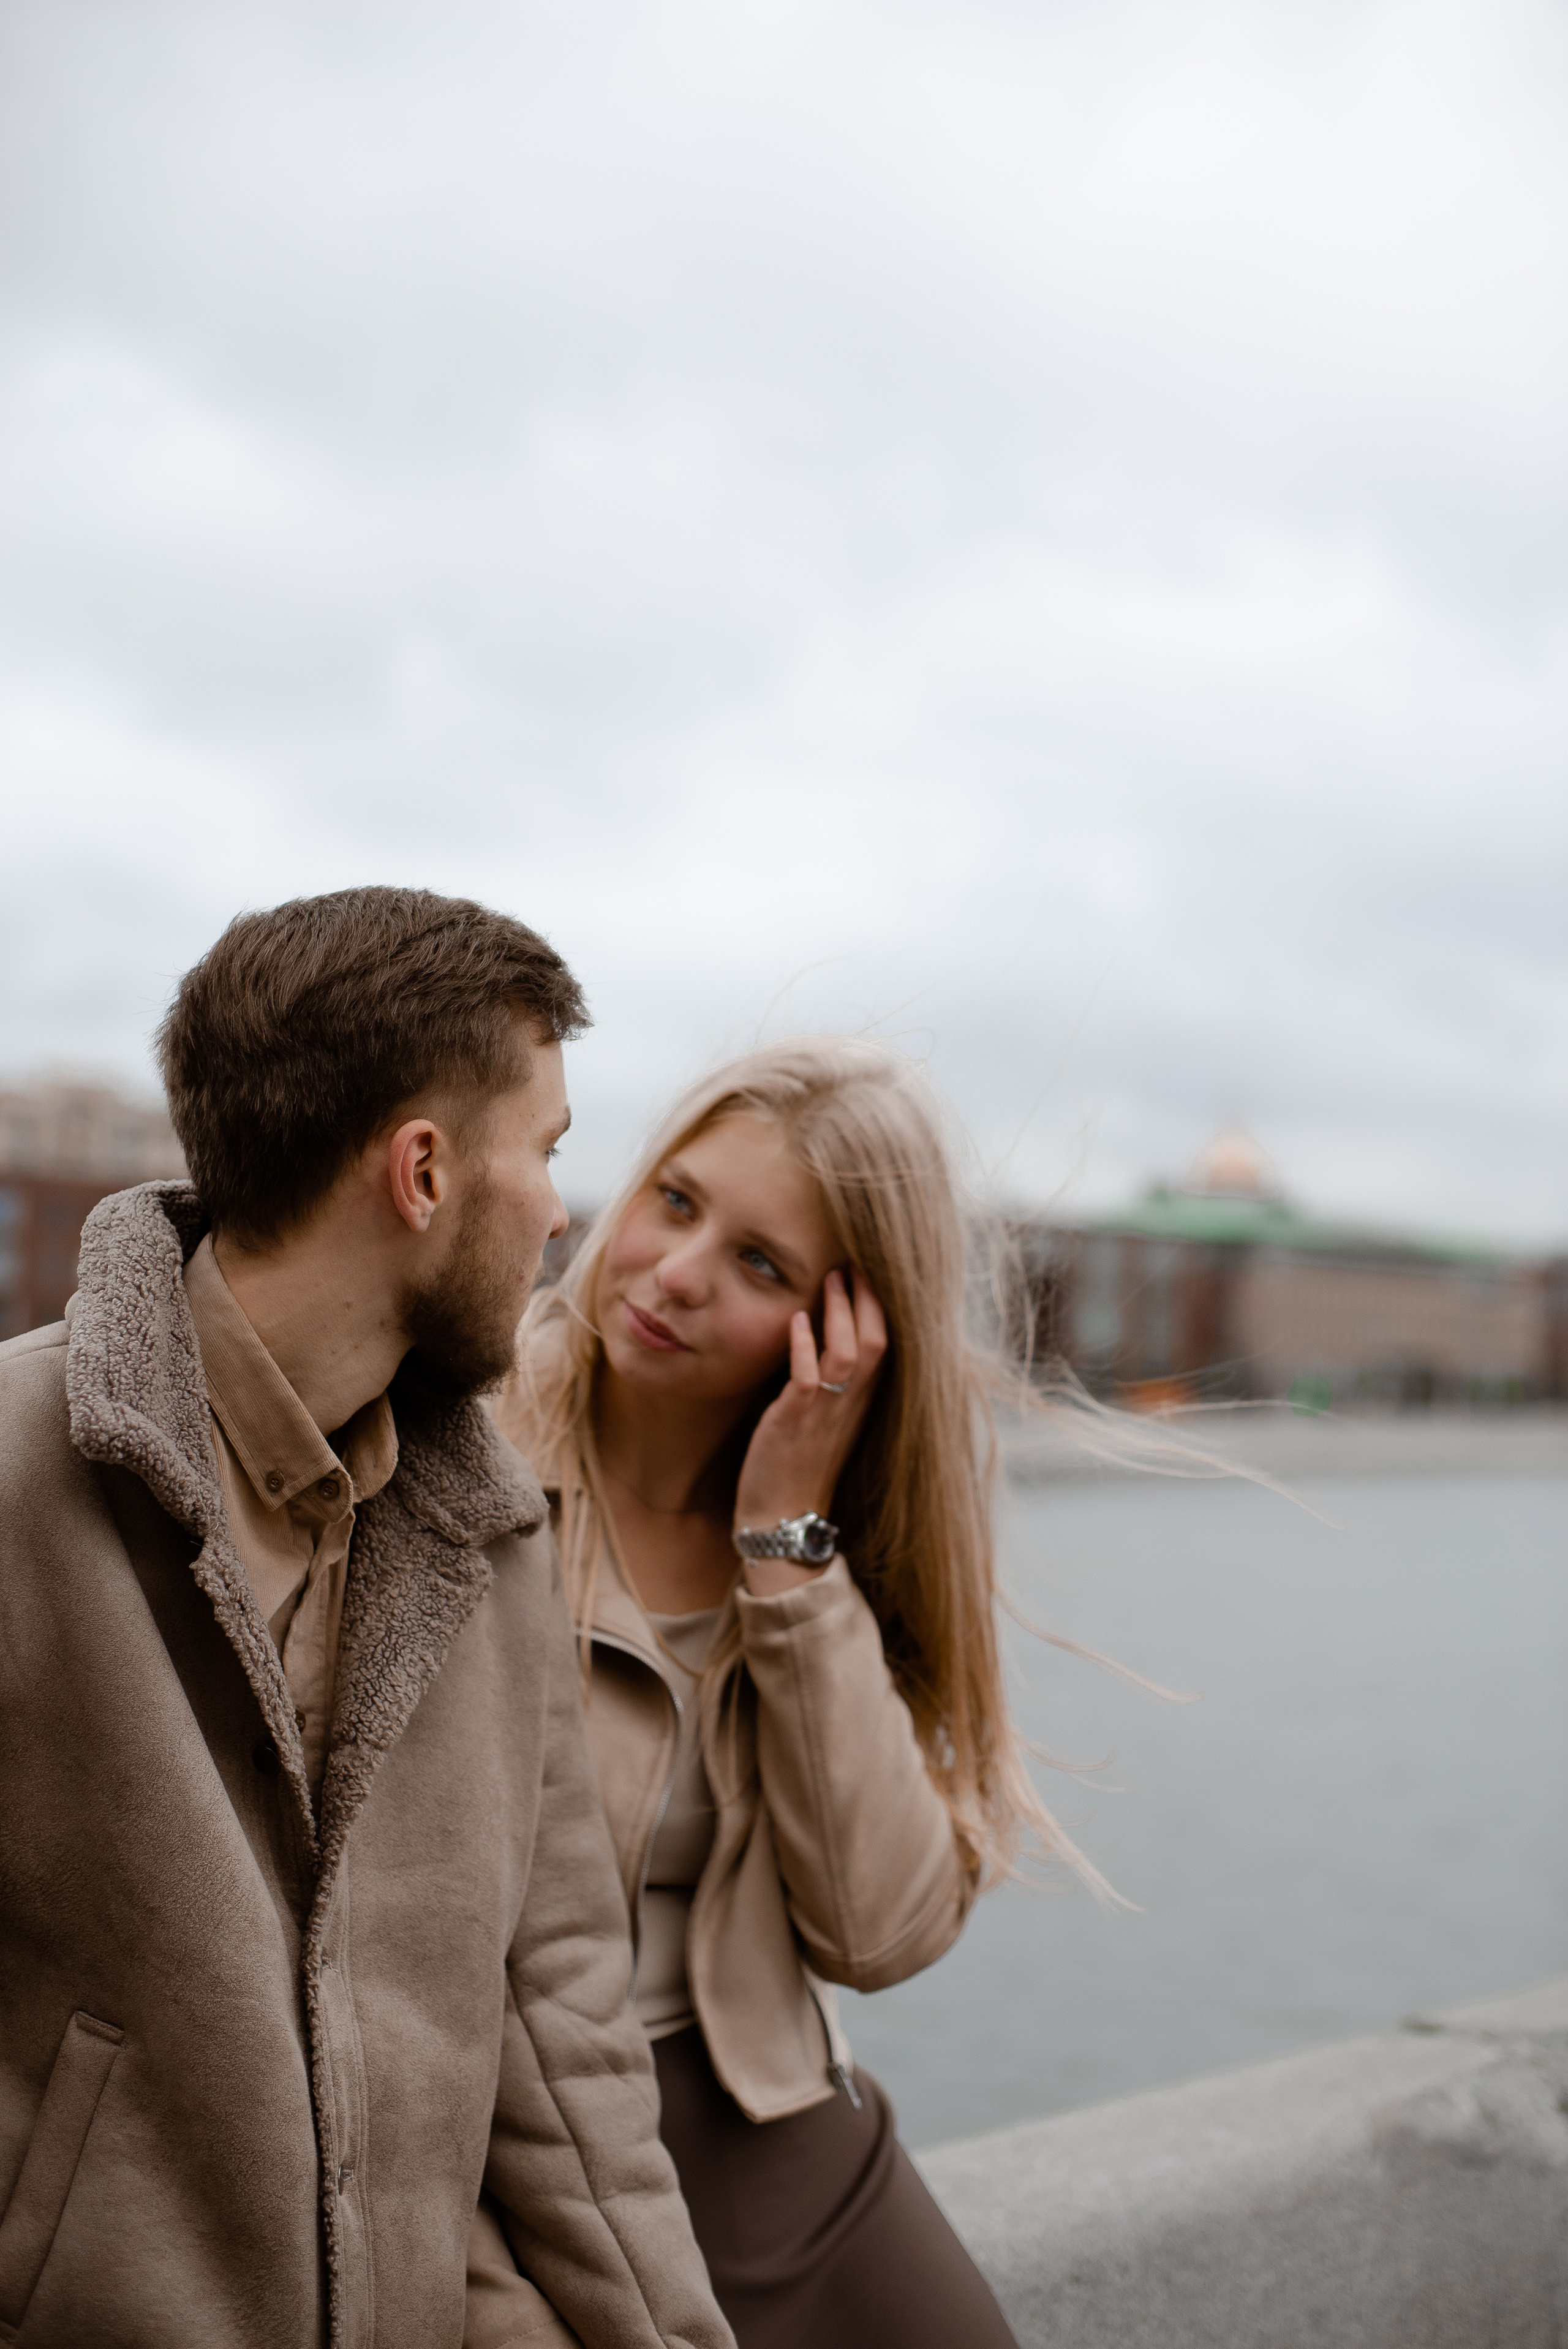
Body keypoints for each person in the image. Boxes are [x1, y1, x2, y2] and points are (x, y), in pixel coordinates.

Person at [0, 887, 734, 2349]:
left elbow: (560, 2023)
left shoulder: (494, 1536)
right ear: (421, 1173)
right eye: (545, 1152)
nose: (557, 1212)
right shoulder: (14, 1476)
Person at [491, 1034, 1056, 2349]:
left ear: (842, 1328)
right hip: (513, 2143)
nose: (672, 1277)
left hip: (766, 2125)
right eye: (675, 1202)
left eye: (759, 1265)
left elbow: (877, 1934)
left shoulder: (820, 1546)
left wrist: (785, 1548)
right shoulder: (460, 1452)